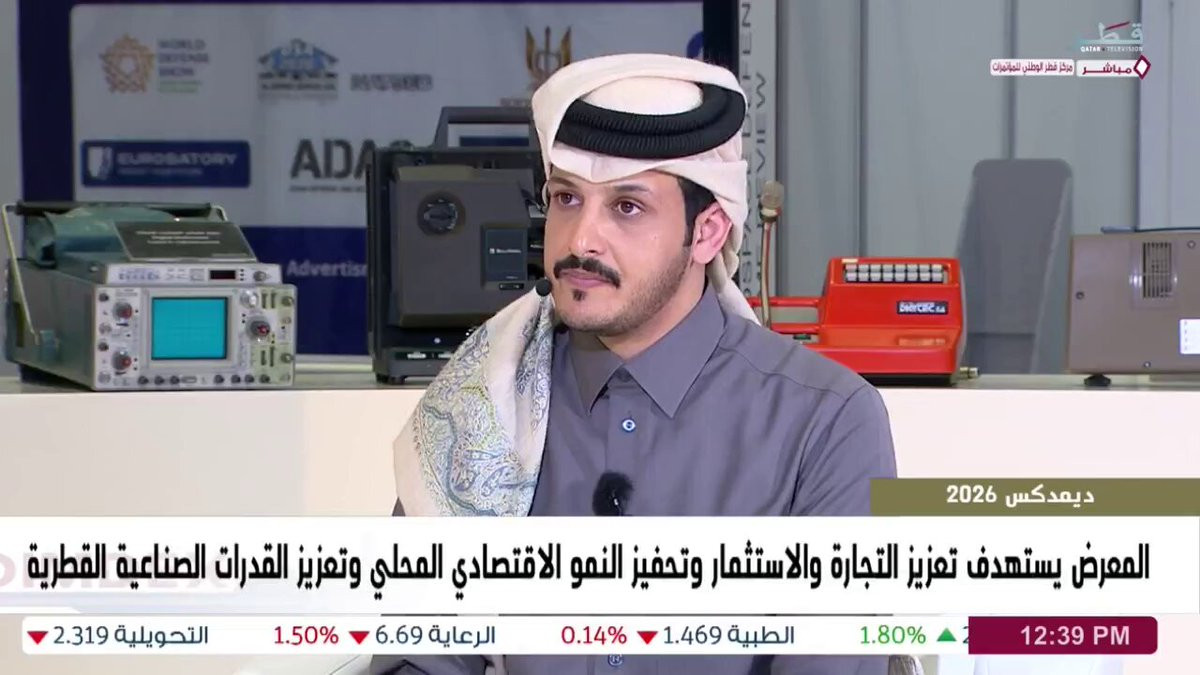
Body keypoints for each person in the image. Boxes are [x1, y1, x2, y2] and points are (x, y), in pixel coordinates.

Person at [376, 53, 897, 675]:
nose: (580, 240)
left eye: (627, 207)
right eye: (566, 198)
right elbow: (418, 656)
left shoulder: (825, 421)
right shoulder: (481, 404)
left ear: (707, 233)